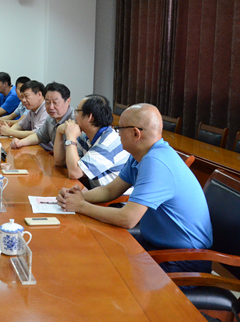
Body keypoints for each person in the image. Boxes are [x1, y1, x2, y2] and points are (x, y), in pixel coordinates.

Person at [56, 103, 213, 274]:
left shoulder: (156, 162)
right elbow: (110, 191)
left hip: (182, 259)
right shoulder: (140, 155)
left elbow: (128, 218)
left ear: (135, 133)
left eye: (119, 129)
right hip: (154, 244)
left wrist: (81, 206)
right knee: (93, 255)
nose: (116, 133)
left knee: (102, 272)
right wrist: (77, 197)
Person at [53, 94, 129, 189]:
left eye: (77, 111)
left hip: (115, 197)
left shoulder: (107, 144)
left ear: (90, 117)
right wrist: (59, 132)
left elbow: (75, 173)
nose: (74, 116)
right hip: (97, 191)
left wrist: (71, 137)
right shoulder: (85, 136)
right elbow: (60, 162)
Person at [11, 81, 74, 151]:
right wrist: (20, 143)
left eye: (55, 102)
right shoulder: (50, 118)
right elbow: (39, 136)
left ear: (68, 101)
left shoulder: (75, 120)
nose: (51, 107)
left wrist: (10, 132)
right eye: (47, 102)